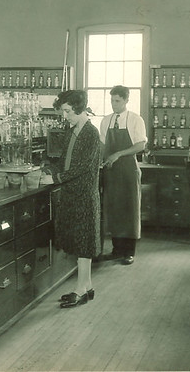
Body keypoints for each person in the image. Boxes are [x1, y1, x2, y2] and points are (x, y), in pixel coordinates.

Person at [47, 90, 103, 308]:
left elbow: (84, 167)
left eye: (68, 111)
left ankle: (80, 289)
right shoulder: (72, 131)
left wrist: (56, 178)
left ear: (80, 109)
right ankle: (87, 287)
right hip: (71, 192)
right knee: (80, 241)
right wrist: (50, 171)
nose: (66, 116)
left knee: (83, 243)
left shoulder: (90, 133)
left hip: (84, 194)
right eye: (63, 111)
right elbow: (64, 160)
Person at [98, 85, 147, 265]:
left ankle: (129, 252)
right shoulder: (106, 121)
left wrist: (118, 154)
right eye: (112, 100)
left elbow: (141, 145)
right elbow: (103, 145)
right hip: (111, 171)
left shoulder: (135, 120)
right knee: (114, 209)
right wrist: (100, 159)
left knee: (129, 209)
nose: (114, 104)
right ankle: (116, 250)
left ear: (126, 100)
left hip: (128, 170)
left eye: (117, 101)